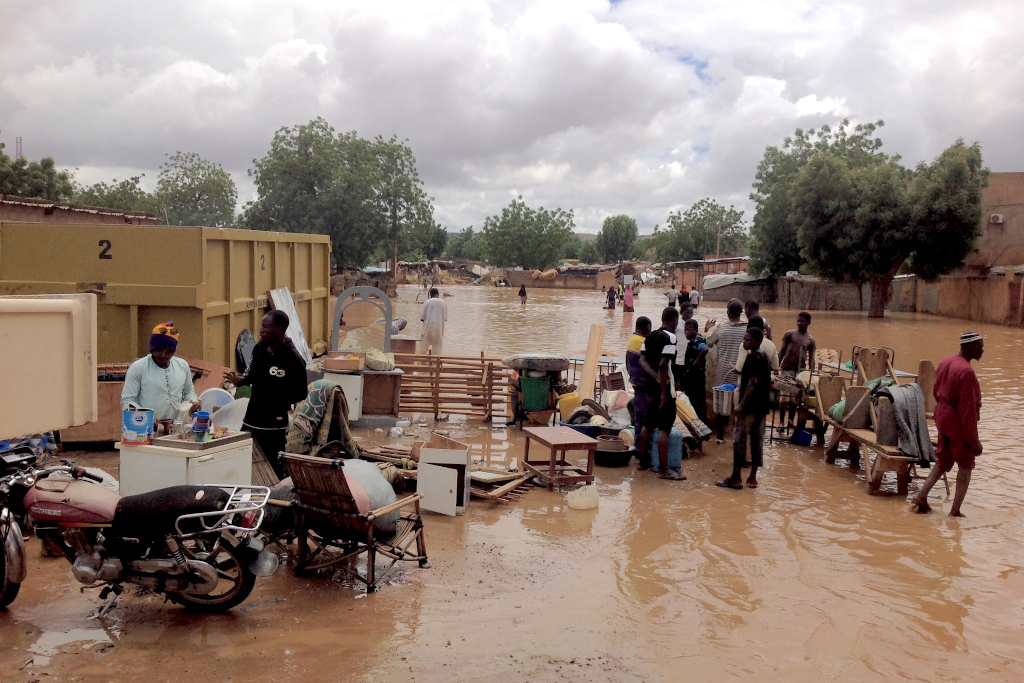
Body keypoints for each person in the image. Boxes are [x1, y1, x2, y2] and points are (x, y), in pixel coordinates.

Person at [227, 311, 308, 480]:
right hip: (252, 418)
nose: (260, 330)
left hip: (275, 425)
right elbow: (250, 376)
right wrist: (238, 380)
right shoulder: (259, 348)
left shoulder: (293, 358)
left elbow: (301, 393)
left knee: (275, 464)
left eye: (265, 327)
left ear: (278, 329)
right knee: (241, 454)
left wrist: (279, 402)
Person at [911, 333, 984, 517]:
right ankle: (955, 510)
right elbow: (967, 410)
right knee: (966, 463)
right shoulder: (966, 371)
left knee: (944, 458)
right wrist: (974, 441)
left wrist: (944, 412)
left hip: (942, 415)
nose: (982, 349)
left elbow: (936, 391)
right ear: (969, 347)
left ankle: (921, 495)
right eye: (979, 346)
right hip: (956, 421)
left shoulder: (946, 361)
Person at [717, 327, 771, 490]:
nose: (744, 342)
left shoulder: (752, 357)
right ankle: (752, 478)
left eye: (747, 339)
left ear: (756, 341)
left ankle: (736, 478)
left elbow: (752, 382)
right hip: (762, 406)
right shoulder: (765, 356)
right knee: (756, 440)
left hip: (749, 406)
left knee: (739, 440)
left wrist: (741, 405)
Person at [637, 307, 686, 480]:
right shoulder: (670, 338)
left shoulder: (649, 337)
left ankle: (643, 462)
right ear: (674, 320)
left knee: (648, 424)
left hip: (650, 389)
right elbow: (664, 365)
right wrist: (664, 390)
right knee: (665, 428)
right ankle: (664, 470)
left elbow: (642, 360)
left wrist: (654, 377)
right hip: (664, 390)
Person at [121, 322, 199, 428]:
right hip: (147, 428)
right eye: (159, 350)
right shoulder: (138, 368)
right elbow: (127, 401)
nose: (163, 355)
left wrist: (193, 402)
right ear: (152, 349)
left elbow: (189, 391)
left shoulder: (182, 365)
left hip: (176, 428)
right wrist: (145, 416)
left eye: (169, 352)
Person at [705, 299, 748, 443]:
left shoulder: (721, 328)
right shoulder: (747, 329)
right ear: (741, 313)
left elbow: (709, 343)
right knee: (740, 403)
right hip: (740, 373)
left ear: (728, 312)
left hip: (723, 372)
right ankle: (737, 435)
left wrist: (707, 331)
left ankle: (720, 437)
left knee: (721, 404)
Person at [778, 311, 817, 428]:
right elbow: (782, 351)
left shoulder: (810, 340)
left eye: (802, 321)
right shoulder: (790, 334)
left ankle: (790, 421)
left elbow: (812, 358)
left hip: (800, 372)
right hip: (786, 369)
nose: (799, 323)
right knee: (784, 397)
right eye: (798, 321)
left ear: (808, 323)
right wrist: (776, 367)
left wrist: (811, 374)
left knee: (795, 398)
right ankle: (781, 422)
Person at [626, 316, 654, 468]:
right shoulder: (643, 343)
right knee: (645, 421)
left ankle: (639, 450)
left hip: (636, 385)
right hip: (644, 387)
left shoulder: (632, 340)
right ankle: (645, 453)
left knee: (638, 419)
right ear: (647, 327)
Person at [680, 318, 709, 430]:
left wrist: (697, 361)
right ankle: (700, 427)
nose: (686, 332)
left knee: (696, 403)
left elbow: (705, 349)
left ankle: (699, 427)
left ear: (696, 330)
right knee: (698, 402)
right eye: (685, 329)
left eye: (689, 329)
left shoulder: (697, 341)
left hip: (695, 378)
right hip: (694, 377)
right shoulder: (695, 340)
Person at [420, 287, 448, 354]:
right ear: (438, 294)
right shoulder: (444, 303)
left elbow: (422, 318)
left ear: (430, 294)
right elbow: (445, 319)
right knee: (437, 347)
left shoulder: (427, 302)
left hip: (428, 327)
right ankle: (435, 362)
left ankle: (424, 363)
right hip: (439, 329)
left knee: (425, 346)